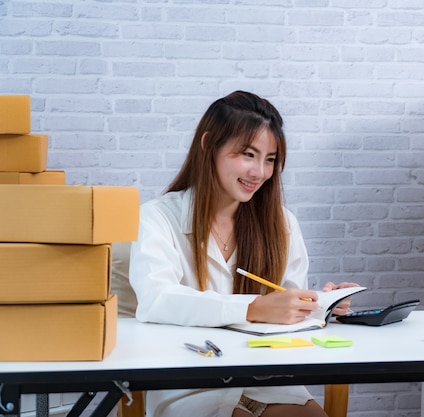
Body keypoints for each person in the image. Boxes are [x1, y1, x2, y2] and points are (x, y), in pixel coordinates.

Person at [129, 91, 358, 417]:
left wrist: (321, 305)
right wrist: (252, 307)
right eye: (248, 154)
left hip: (265, 375)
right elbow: (156, 300)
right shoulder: (156, 218)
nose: (259, 172)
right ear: (209, 145)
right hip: (190, 379)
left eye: (269, 159)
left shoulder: (281, 223)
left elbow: (287, 307)